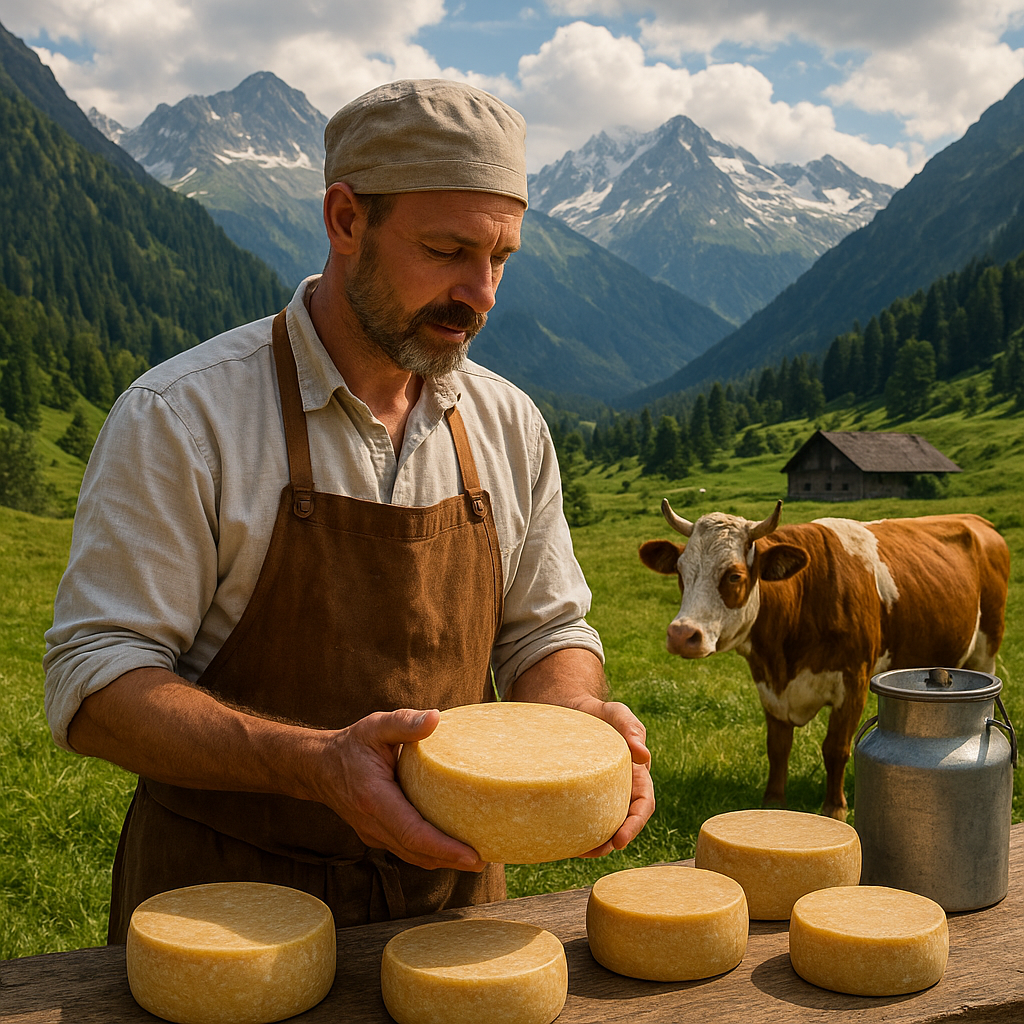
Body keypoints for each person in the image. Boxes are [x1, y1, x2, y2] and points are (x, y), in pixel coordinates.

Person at [43, 78, 654, 942]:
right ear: (345, 220)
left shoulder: (509, 423)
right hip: (222, 918)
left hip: (456, 919)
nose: (481, 292)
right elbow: (97, 680)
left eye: (502, 259)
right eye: (447, 251)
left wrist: (571, 721)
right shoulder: (185, 416)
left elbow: (544, 632)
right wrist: (316, 766)